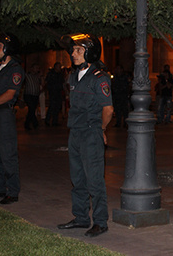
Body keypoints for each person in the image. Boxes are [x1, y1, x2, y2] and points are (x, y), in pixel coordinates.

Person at [57, 33, 113, 238]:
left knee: (94, 180)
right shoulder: (73, 75)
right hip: (75, 133)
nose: (73, 53)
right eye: (73, 50)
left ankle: (100, 222)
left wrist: (102, 130)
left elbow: (108, 109)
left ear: (89, 52)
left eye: (78, 50)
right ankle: (80, 217)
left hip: (91, 133)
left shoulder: (100, 78)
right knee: (77, 178)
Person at [0, 32, 24, 204]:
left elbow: (10, 95)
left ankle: (13, 191)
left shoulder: (15, 69)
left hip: (4, 114)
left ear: (7, 49)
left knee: (7, 154)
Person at [44, 62, 64, 126]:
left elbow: (62, 83)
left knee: (57, 107)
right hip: (52, 92)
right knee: (52, 107)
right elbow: (47, 82)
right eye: (58, 66)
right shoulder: (51, 74)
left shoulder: (60, 74)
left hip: (58, 92)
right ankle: (47, 120)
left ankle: (55, 121)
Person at [24, 63, 42, 130]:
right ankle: (34, 123)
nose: (37, 69)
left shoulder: (37, 76)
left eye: (38, 68)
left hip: (35, 95)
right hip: (29, 95)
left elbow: (42, 84)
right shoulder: (27, 75)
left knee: (32, 110)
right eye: (36, 68)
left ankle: (28, 123)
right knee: (31, 108)